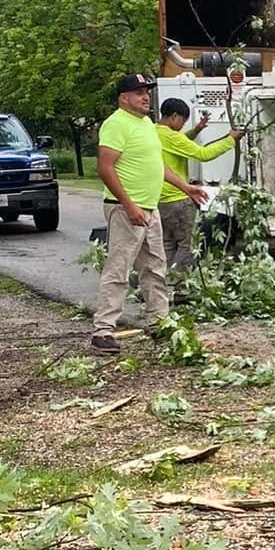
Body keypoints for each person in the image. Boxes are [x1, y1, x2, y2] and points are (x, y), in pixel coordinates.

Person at [91, 74, 207, 355]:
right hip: (125, 209)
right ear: (123, 98)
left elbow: (157, 166)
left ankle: (159, 321)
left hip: (150, 207)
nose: (146, 97)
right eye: (138, 92)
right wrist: (129, 206)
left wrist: (185, 186)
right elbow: (105, 168)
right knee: (119, 268)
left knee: (155, 266)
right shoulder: (116, 124)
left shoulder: (145, 125)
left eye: (147, 91)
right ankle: (103, 331)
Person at [155, 95, 243, 275]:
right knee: (188, 245)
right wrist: (230, 140)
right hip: (178, 199)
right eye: (183, 121)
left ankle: (161, 282)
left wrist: (196, 130)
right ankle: (181, 283)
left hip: (160, 200)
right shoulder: (172, 137)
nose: (182, 126)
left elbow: (177, 142)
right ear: (174, 116)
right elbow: (204, 154)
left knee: (168, 243)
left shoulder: (154, 132)